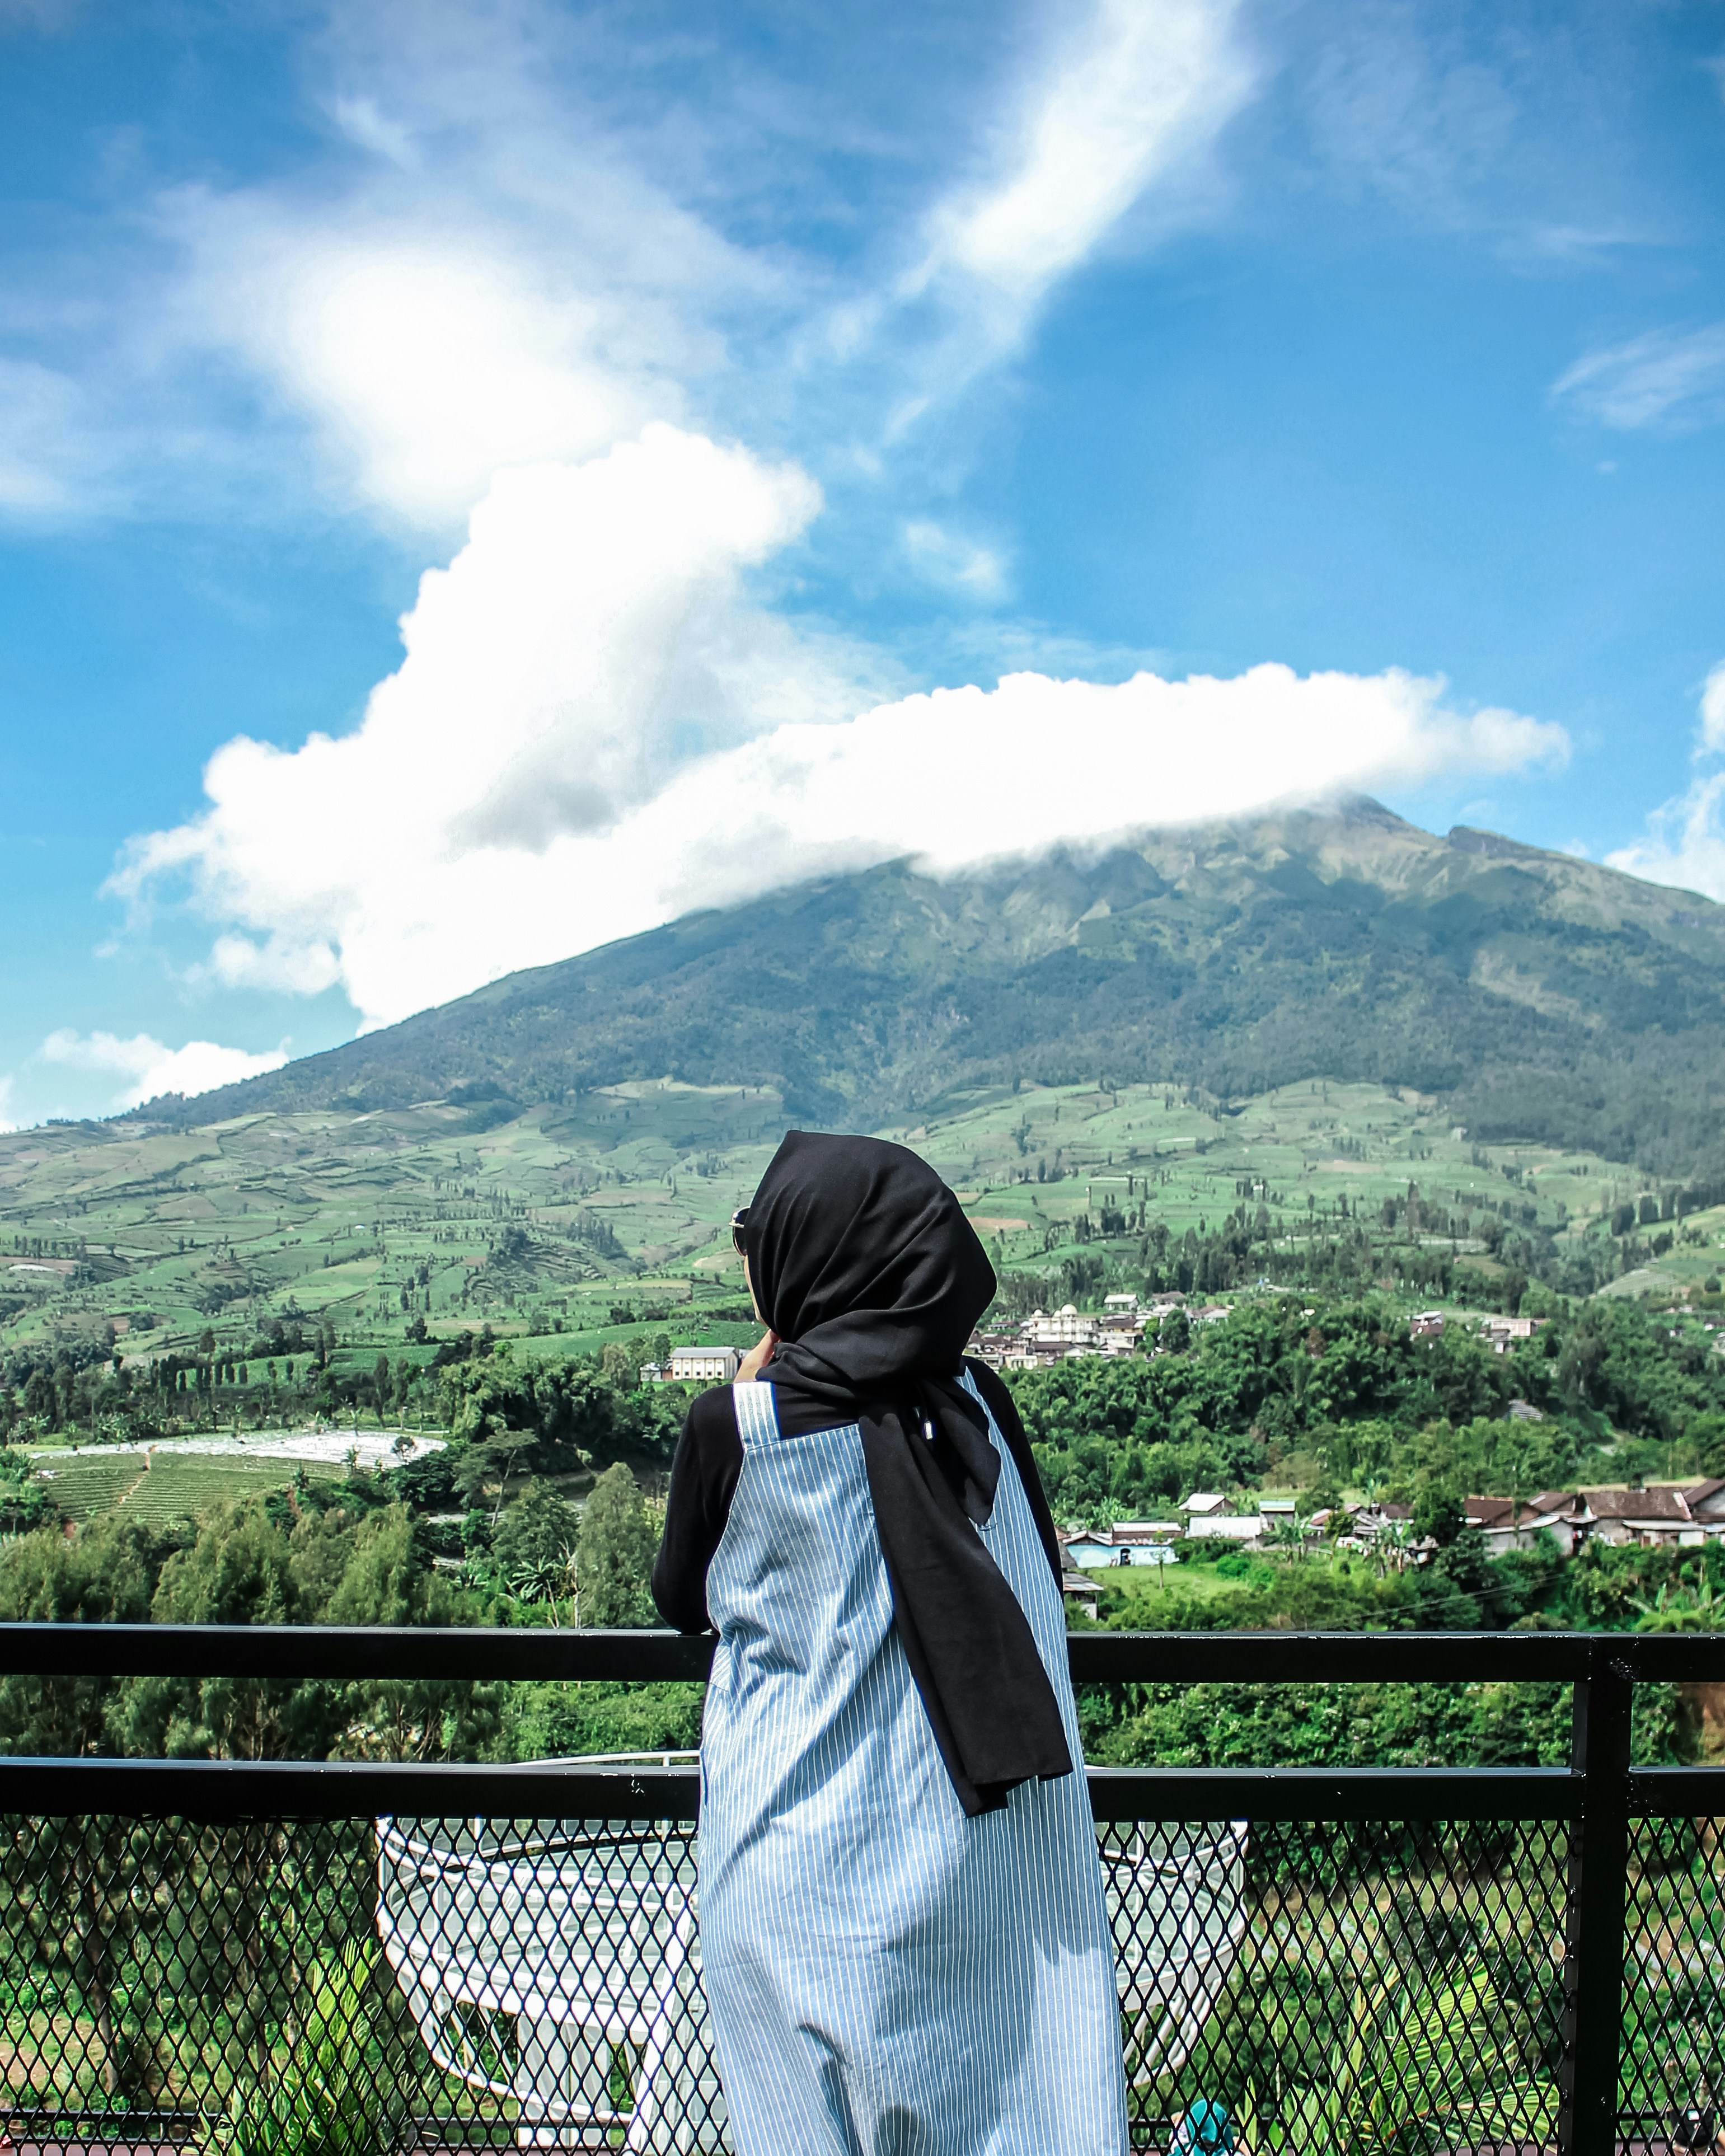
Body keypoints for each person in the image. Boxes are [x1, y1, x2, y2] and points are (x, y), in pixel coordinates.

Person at [653, 1130, 1129, 2156]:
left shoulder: (737, 1427)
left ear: (804, 1256)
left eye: (755, 1235)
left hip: (790, 1872)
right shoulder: (977, 1412)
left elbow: (678, 1598)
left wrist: (750, 1381)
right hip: (985, 1871)